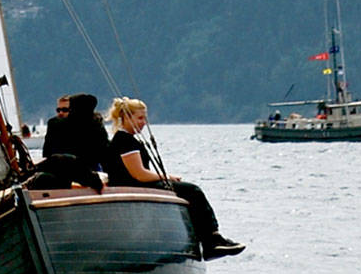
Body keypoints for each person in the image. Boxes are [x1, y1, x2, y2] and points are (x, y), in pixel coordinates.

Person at [104, 96, 244, 260]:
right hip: (133, 185)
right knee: (192, 191)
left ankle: (208, 239)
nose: (144, 122)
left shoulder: (127, 140)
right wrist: (167, 177)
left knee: (188, 191)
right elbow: (139, 174)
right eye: (140, 118)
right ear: (127, 118)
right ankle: (211, 240)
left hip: (134, 183)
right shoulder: (124, 141)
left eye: (145, 118)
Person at [37, 91, 107, 190]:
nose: (61, 113)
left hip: (85, 171)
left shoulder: (55, 125)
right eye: (58, 110)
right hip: (69, 173)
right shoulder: (54, 125)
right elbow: (48, 153)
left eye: (65, 110)